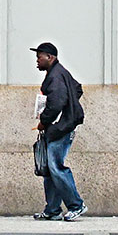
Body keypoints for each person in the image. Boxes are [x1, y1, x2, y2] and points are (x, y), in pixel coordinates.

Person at [31, 42, 85, 222]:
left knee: (56, 167)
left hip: (61, 128)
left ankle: (76, 205)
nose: (37, 60)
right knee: (50, 169)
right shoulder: (58, 73)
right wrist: (71, 107)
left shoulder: (55, 76)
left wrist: (45, 122)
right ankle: (52, 209)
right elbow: (77, 89)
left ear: (50, 57)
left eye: (40, 57)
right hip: (60, 127)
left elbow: (57, 102)